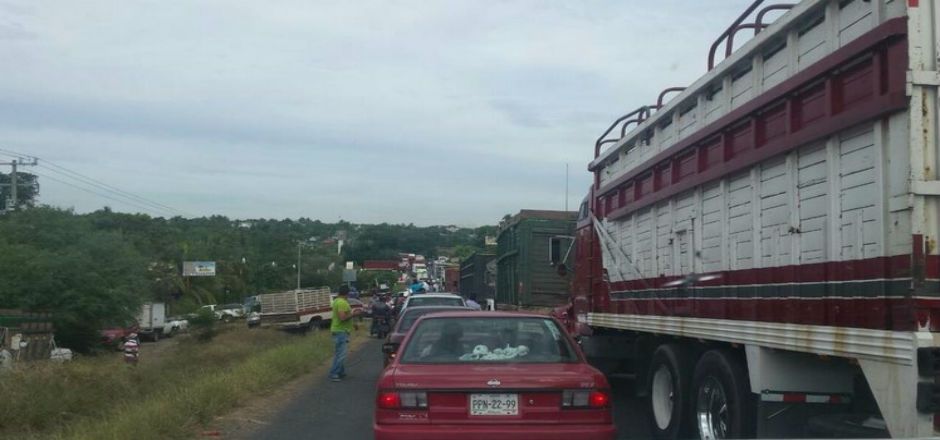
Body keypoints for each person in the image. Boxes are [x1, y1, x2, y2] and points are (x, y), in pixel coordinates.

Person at [329, 285, 361, 382]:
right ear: (347, 293)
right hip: (341, 331)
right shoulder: (342, 303)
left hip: (338, 330)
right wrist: (354, 314)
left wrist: (353, 322)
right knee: (341, 354)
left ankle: (340, 372)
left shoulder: (336, 301)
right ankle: (334, 373)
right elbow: (342, 318)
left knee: (339, 353)